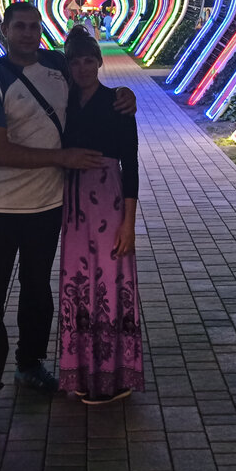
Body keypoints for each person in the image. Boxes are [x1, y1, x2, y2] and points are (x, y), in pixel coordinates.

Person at [0, 1, 135, 438]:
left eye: (33, 26)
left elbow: (91, 79)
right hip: (0, 206)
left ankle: (29, 363)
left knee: (38, 292)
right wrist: (62, 157)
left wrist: (125, 95)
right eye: (19, 27)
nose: (27, 33)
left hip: (48, 207)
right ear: (4, 30)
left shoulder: (58, 67)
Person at [58, 26, 144, 403]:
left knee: (111, 282)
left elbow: (132, 165)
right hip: (72, 203)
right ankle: (79, 369)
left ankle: (115, 374)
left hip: (109, 200)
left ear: (99, 62)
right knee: (76, 283)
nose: (82, 68)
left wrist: (129, 222)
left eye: (88, 60)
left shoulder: (117, 104)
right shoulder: (61, 103)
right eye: (74, 61)